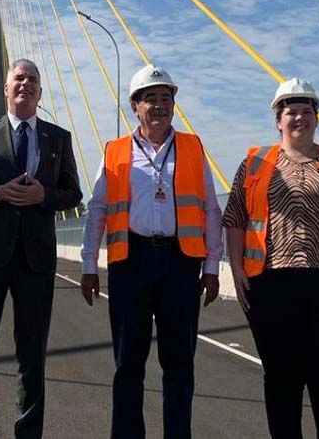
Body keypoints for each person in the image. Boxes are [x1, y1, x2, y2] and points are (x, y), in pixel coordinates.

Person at [222, 77, 319, 439]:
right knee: (281, 379)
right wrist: (236, 268)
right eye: (291, 111)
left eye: (307, 111)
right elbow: (234, 218)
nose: (299, 118)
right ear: (278, 119)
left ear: (316, 119)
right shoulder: (255, 164)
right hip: (271, 281)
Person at [79, 64, 223, 439]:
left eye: (166, 98)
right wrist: (89, 264)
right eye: (151, 98)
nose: (160, 106)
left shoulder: (192, 147)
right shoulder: (114, 152)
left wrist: (211, 267)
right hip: (131, 262)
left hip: (180, 263)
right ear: (134, 105)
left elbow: (210, 208)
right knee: (128, 363)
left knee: (179, 364)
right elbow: (97, 210)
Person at [0, 58, 82, 439]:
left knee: (32, 358)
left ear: (40, 93)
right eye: (19, 78)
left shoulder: (58, 139)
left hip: (35, 261)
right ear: (5, 89)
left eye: (33, 80)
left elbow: (73, 193)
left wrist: (45, 196)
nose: (26, 84)